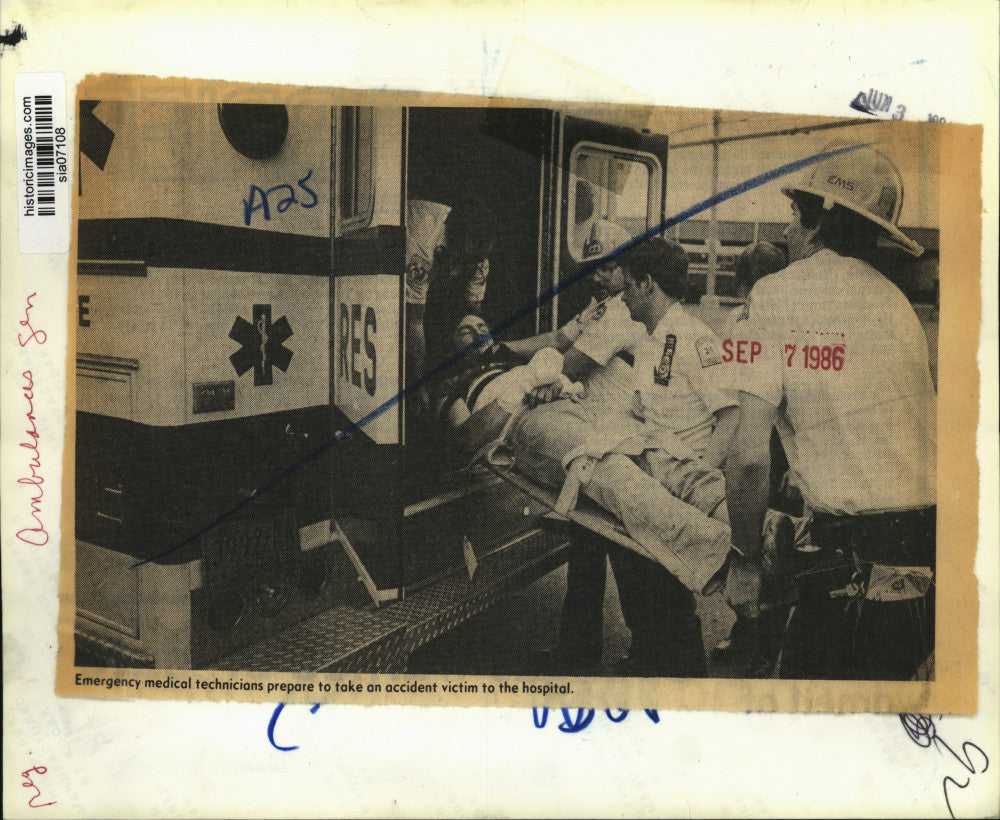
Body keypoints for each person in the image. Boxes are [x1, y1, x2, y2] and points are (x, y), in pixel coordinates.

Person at [508, 236, 793, 676]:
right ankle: (650, 663)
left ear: (647, 284)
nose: (621, 297)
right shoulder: (651, 340)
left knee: (664, 599)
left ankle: (679, 675)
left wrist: (693, 479)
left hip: (679, 479)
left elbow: (731, 419)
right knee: (647, 592)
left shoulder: (696, 339)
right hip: (653, 468)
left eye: (627, 288)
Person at [724, 144, 936, 681]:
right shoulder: (896, 306)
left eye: (798, 213)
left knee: (813, 724)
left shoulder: (775, 294)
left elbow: (748, 458)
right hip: (924, 556)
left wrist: (746, 561)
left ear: (820, 220)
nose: (789, 229)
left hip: (853, 559)